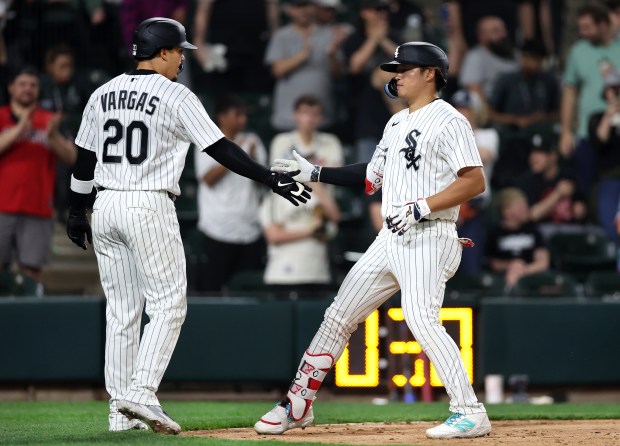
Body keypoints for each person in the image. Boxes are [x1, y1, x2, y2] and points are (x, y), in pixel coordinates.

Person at [65, 17, 311, 435]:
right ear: (161, 52)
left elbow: (84, 159)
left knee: (122, 313)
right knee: (168, 305)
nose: (182, 58)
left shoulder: (101, 93)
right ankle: (141, 394)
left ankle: (119, 414)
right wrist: (269, 177)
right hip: (147, 202)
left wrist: (75, 210)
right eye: (178, 51)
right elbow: (221, 148)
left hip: (104, 204)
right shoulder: (174, 95)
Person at [256, 42, 491, 439]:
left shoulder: (449, 119)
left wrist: (422, 206)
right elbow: (371, 177)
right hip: (391, 237)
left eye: (405, 69)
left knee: (420, 318)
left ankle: (470, 410)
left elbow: (474, 180)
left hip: (429, 235)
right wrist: (316, 173)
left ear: (430, 73)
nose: (396, 75)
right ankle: (298, 403)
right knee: (338, 316)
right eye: (395, 69)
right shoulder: (396, 122)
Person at [261, 95, 343, 297]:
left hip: (318, 267)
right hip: (282, 270)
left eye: (315, 114)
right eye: (305, 113)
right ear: (296, 115)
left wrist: (312, 181)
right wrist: (316, 174)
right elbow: (279, 172)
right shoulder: (282, 142)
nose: (309, 119)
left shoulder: (330, 142)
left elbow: (337, 175)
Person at [0, 66, 76, 283]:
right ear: (11, 88)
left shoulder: (49, 119)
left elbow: (71, 157)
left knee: (31, 273)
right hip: (2, 206)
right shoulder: (2, 116)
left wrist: (52, 137)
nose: (28, 89)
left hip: (38, 207)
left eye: (33, 85)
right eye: (22, 84)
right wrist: (21, 126)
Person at [194, 94, 267, 293]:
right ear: (222, 116)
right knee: (213, 289)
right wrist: (236, 154)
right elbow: (208, 179)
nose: (243, 120)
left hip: (249, 229)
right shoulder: (207, 140)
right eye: (237, 114)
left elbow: (263, 181)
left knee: (247, 291)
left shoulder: (253, 141)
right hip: (218, 229)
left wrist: (249, 158)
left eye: (244, 115)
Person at [560, 4, 620, 197]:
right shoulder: (578, 51)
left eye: (587, 27)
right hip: (587, 131)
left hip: (616, 132)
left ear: (603, 24)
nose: (582, 33)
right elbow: (570, 93)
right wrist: (566, 131)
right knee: (585, 189)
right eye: (580, 28)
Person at [264, 0, 343, 132]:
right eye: (297, 6)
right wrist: (302, 55)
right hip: (288, 118)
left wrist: (332, 54)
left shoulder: (328, 33)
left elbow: (338, 73)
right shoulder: (282, 35)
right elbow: (277, 70)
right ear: (289, 10)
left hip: (322, 117)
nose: (302, 11)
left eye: (306, 5)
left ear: (314, 7)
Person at [342, 0, 400, 162]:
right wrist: (374, 40)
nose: (382, 13)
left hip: (395, 116)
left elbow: (408, 64)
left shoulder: (395, 36)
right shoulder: (355, 39)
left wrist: (383, 40)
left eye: (385, 9)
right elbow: (355, 66)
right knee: (369, 179)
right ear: (364, 12)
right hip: (366, 118)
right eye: (377, 9)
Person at [485, 188, 550, 289]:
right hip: (502, 277)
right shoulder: (495, 233)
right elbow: (494, 263)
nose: (526, 209)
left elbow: (543, 262)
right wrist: (511, 265)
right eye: (520, 207)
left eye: (525, 205)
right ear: (507, 212)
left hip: (532, 276)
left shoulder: (532, 230)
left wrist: (522, 269)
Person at [588, 70, 620, 243]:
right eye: (613, 89)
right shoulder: (597, 117)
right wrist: (610, 114)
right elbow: (601, 139)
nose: (616, 93)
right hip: (609, 179)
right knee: (610, 228)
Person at [458, 16, 519, 102]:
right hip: (491, 108)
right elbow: (473, 91)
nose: (503, 35)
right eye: (496, 31)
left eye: (503, 29)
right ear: (483, 37)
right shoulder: (475, 57)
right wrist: (495, 115)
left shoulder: (516, 55)